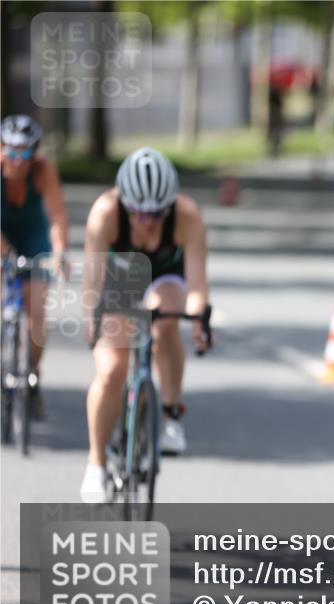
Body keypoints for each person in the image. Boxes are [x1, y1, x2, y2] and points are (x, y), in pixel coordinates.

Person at [80, 147, 210, 503]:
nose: (147, 220)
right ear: (124, 203)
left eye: (156, 212)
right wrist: (93, 318)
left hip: (165, 276)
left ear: (170, 204)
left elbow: (197, 285)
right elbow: (92, 281)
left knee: (167, 323)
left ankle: (170, 412)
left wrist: (199, 320)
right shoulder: (105, 213)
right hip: (120, 277)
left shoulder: (187, 215)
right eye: (138, 212)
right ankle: (96, 463)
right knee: (111, 371)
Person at [1, 115, 69, 419]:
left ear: (34, 153)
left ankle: (32, 374)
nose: (17, 159)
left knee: (38, 307)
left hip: (32, 235)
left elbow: (57, 217)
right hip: (2, 235)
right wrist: (7, 254)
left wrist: (60, 253)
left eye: (24, 152)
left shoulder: (43, 171)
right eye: (10, 150)